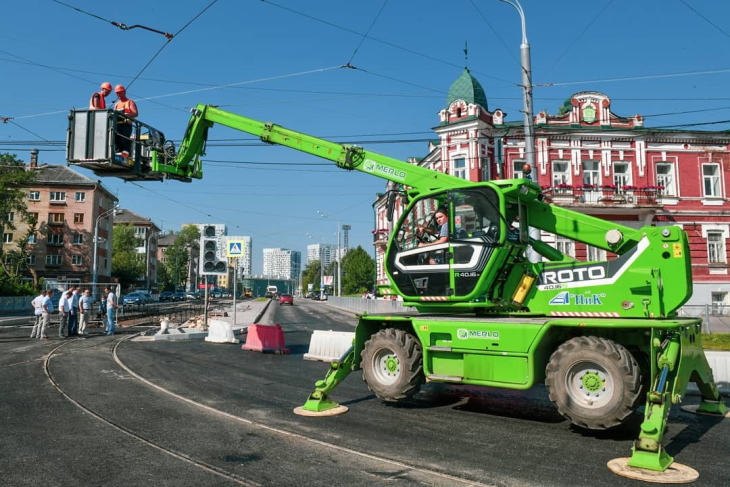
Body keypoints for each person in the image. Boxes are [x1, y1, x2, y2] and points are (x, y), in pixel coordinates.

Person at [113, 85, 138, 157]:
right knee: (117, 141)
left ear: (124, 92)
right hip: (117, 125)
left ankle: (125, 155)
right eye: (117, 93)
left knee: (125, 141)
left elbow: (135, 113)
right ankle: (118, 154)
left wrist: (126, 114)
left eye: (120, 93)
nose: (118, 95)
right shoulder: (117, 104)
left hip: (126, 125)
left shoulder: (130, 102)